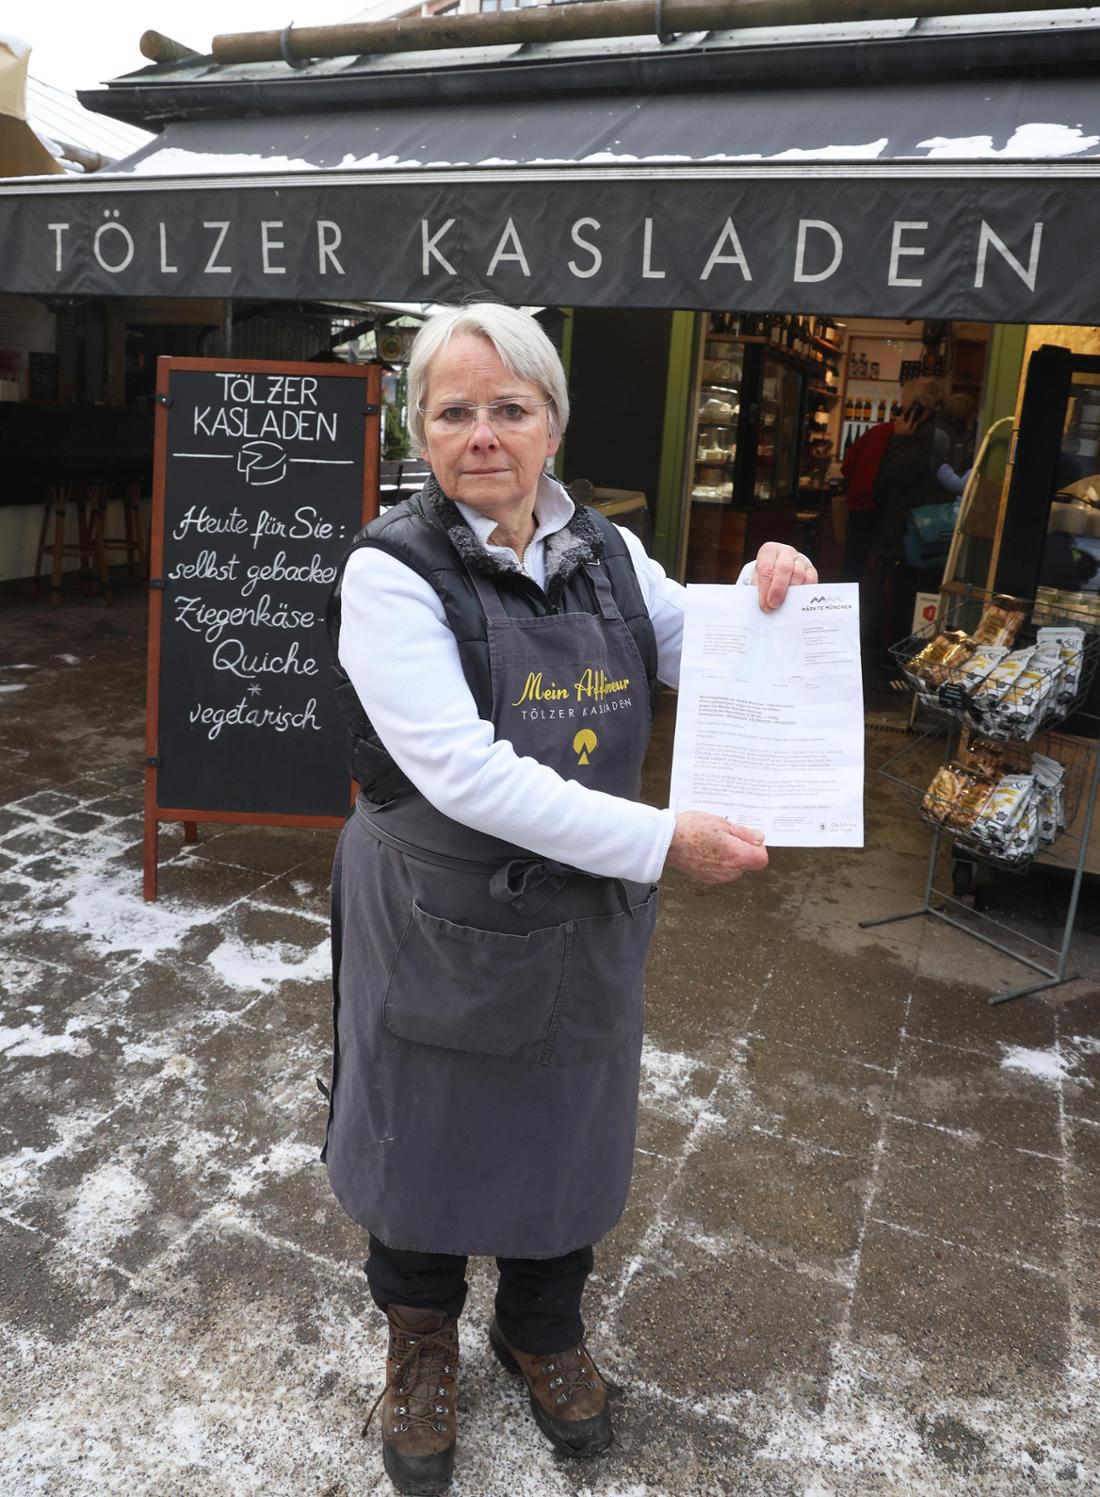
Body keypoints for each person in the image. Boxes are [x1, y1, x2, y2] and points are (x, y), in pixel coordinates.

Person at [324, 303, 816, 1496]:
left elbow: (690, 649)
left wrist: (770, 597)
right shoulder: (389, 571)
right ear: (420, 433)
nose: (482, 434)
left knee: (566, 1122)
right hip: (439, 912)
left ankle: (539, 1328)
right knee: (422, 1133)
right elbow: (463, 772)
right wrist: (658, 840)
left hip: (580, 916)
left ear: (551, 422)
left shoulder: (601, 546)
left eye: (510, 408)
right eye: (453, 412)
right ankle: (423, 1338)